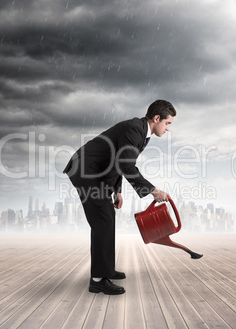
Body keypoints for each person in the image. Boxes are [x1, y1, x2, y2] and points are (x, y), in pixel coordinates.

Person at [63, 99, 176, 295]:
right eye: (167, 123)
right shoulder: (135, 130)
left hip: (95, 172)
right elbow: (126, 164)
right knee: (103, 220)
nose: (168, 129)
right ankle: (98, 279)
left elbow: (118, 159)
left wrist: (117, 190)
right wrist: (153, 190)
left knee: (107, 218)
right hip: (85, 170)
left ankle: (105, 270)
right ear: (156, 118)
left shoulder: (139, 131)